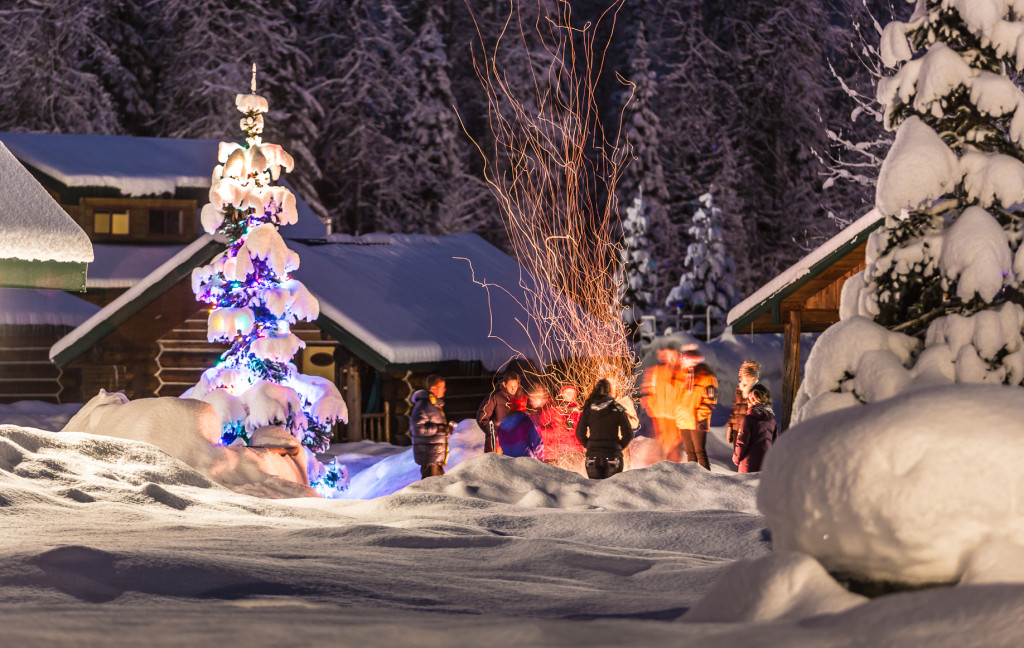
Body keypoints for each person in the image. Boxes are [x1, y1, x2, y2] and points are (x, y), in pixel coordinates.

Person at [575, 379, 634, 479]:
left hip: (592, 457)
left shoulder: (589, 409)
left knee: (595, 489)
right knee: (611, 491)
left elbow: (580, 433)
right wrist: (618, 447)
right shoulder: (618, 409)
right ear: (610, 392)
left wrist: (589, 445)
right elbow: (628, 433)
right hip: (613, 455)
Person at [673, 345, 719, 469]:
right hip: (684, 420)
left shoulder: (707, 376)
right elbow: (677, 396)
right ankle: (692, 479)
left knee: (700, 452)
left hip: (697, 421)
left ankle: (706, 479)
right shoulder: (683, 376)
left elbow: (710, 400)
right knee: (690, 453)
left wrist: (700, 416)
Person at [640, 345, 683, 461]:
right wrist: (649, 404)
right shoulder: (655, 371)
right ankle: (657, 463)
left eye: (671, 355)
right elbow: (648, 390)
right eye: (666, 355)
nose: (668, 358)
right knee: (660, 440)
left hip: (673, 415)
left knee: (674, 442)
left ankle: (672, 464)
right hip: (659, 413)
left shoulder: (679, 372)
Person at [409, 374, 453, 479]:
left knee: (437, 488)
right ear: (433, 388)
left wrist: (445, 429)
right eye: (442, 387)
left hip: (435, 456)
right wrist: (440, 428)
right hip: (429, 456)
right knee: (432, 489)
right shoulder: (423, 405)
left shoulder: (433, 405)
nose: (445, 389)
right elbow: (418, 428)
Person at [477, 369, 528, 453]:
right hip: (497, 442)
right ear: (504, 384)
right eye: (510, 386)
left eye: (515, 386)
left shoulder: (522, 398)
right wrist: (493, 432)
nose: (513, 389)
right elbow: (482, 417)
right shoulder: (495, 397)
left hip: (516, 442)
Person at [732, 383, 779, 473]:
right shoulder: (772, 421)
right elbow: (775, 444)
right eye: (749, 398)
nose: (749, 401)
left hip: (748, 466)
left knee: (744, 487)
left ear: (760, 399)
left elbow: (742, 442)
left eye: (752, 398)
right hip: (766, 465)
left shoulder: (748, 419)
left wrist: (736, 459)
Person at [726, 360, 762, 445]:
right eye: (741, 375)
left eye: (743, 375)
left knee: (745, 456)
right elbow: (734, 409)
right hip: (736, 428)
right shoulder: (740, 389)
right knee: (736, 456)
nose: (740, 377)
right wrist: (730, 427)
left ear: (750, 376)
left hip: (746, 430)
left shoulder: (757, 391)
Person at [528, 386, 561, 463]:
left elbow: (557, 432)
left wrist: (537, 432)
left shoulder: (551, 410)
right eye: (531, 399)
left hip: (549, 454)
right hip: (540, 453)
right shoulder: (535, 411)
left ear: (542, 398)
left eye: (534, 399)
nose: (532, 402)